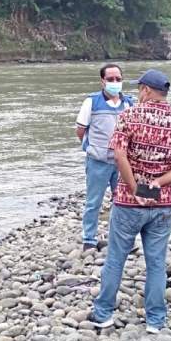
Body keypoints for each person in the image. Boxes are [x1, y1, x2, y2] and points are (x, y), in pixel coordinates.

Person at [89, 69, 171, 334]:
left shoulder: (129, 116)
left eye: (140, 89)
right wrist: (159, 183)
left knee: (116, 257)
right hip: (163, 202)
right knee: (157, 262)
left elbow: (119, 155)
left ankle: (103, 313)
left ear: (147, 90)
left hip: (128, 201)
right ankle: (155, 320)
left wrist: (135, 186)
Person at [75, 63, 133, 248]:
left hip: (122, 163)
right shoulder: (91, 102)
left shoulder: (129, 103)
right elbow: (81, 130)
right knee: (94, 202)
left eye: (118, 79)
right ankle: (89, 239)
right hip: (98, 162)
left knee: (123, 202)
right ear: (102, 81)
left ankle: (120, 238)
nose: (115, 82)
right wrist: (92, 148)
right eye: (110, 79)